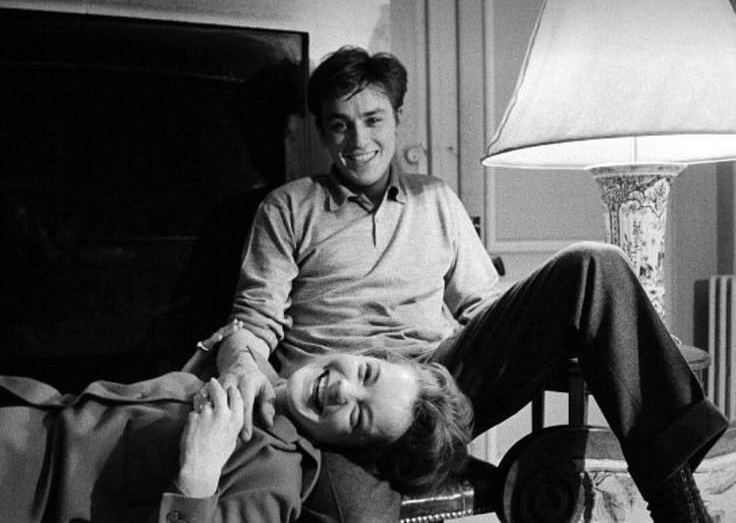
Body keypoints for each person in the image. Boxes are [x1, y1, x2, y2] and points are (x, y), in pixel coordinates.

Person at [209, 46, 728, 523]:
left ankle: (675, 497)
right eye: (340, 126)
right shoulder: (288, 206)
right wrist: (243, 372)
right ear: (323, 132)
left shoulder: (435, 198)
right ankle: (452, 470)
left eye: (373, 120)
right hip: (336, 401)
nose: (359, 141)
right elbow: (254, 320)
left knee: (594, 262)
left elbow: (483, 306)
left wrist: (579, 327)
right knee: (356, 514)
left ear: (397, 120)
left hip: (437, 377)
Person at [0, 337, 472, 523]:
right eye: (366, 372)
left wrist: (197, 478)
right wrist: (245, 361)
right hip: (23, 413)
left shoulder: (275, 477)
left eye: (359, 416)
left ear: (356, 451)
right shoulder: (265, 383)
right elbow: (236, 333)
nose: (343, 390)